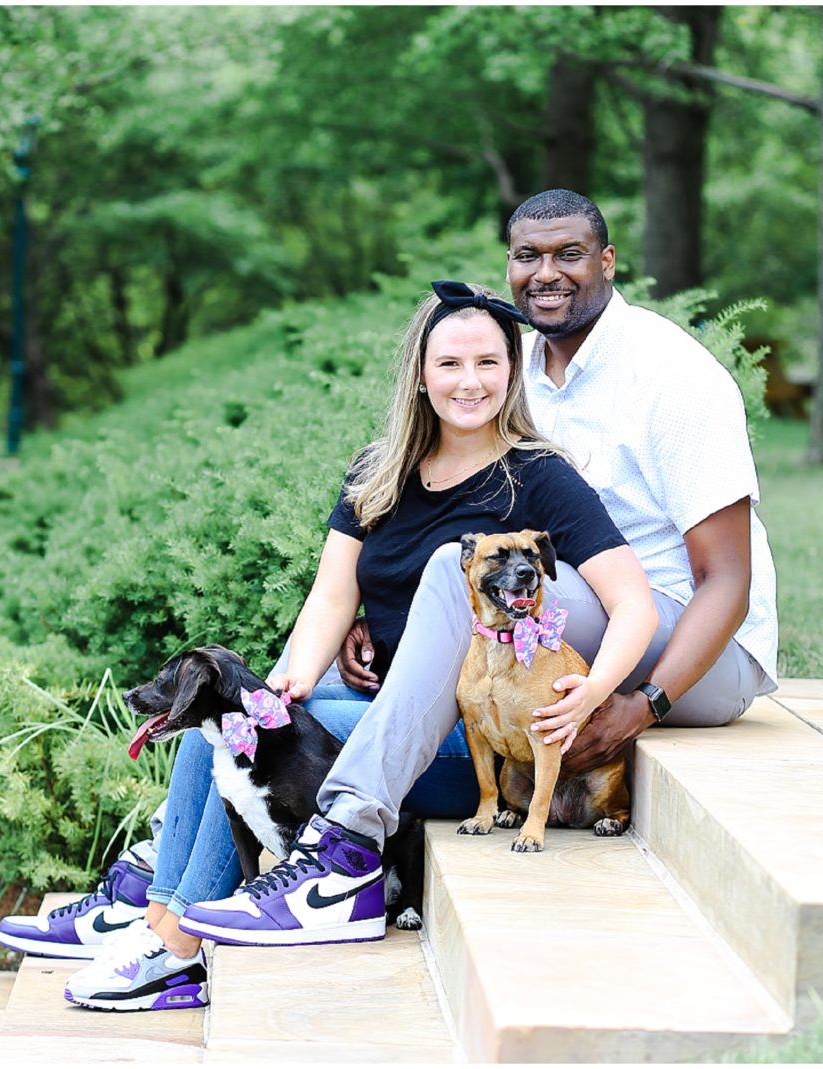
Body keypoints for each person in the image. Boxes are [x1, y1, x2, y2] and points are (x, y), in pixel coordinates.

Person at [181, 189, 779, 952]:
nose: (546, 272)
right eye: (527, 255)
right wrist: (380, 619)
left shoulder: (672, 376)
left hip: (694, 638)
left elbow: (728, 582)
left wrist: (643, 704)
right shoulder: (516, 362)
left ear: (608, 260)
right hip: (569, 610)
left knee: (451, 567)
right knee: (243, 710)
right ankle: (165, 907)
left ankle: (347, 845)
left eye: (568, 253)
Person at [46, 277, 658, 1011]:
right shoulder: (380, 471)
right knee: (230, 727)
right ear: (420, 374)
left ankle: (178, 952)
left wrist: (596, 691)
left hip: (464, 734)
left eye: (489, 363)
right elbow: (334, 594)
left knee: (254, 742)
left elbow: (635, 604)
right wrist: (287, 683)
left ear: (513, 370)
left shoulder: (539, 475)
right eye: (450, 364)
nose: (470, 381)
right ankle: (158, 918)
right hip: (378, 703)